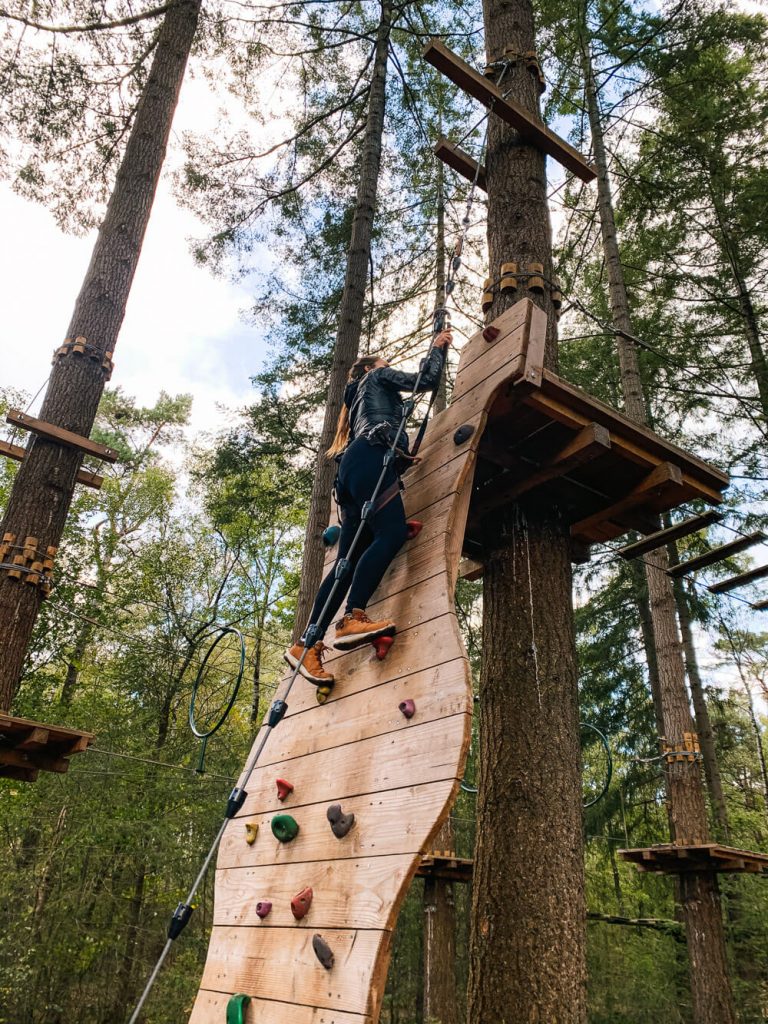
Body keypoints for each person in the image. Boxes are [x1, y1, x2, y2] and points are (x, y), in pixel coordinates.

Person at [285, 330, 452, 687]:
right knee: (390, 533)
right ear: (371, 369)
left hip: (351, 470)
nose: (387, 366)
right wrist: (437, 349)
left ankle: (306, 643)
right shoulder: (376, 377)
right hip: (369, 456)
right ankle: (352, 617)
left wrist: (401, 460)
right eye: (384, 363)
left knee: (346, 561)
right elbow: (425, 379)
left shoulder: (357, 403)